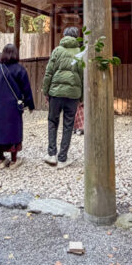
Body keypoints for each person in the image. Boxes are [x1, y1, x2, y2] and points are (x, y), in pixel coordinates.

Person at [41, 26, 83, 169]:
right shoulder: (79, 52)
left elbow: (49, 72)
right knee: (68, 125)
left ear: (64, 36)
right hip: (73, 94)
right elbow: (82, 76)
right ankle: (63, 158)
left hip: (56, 93)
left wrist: (45, 90)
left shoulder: (57, 51)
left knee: (53, 121)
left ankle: (51, 154)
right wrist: (81, 96)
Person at [0, 44, 34, 169]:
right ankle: (14, 160)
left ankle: (1, 159)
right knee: (14, 131)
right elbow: (26, 89)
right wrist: (30, 104)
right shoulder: (20, 69)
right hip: (13, 106)